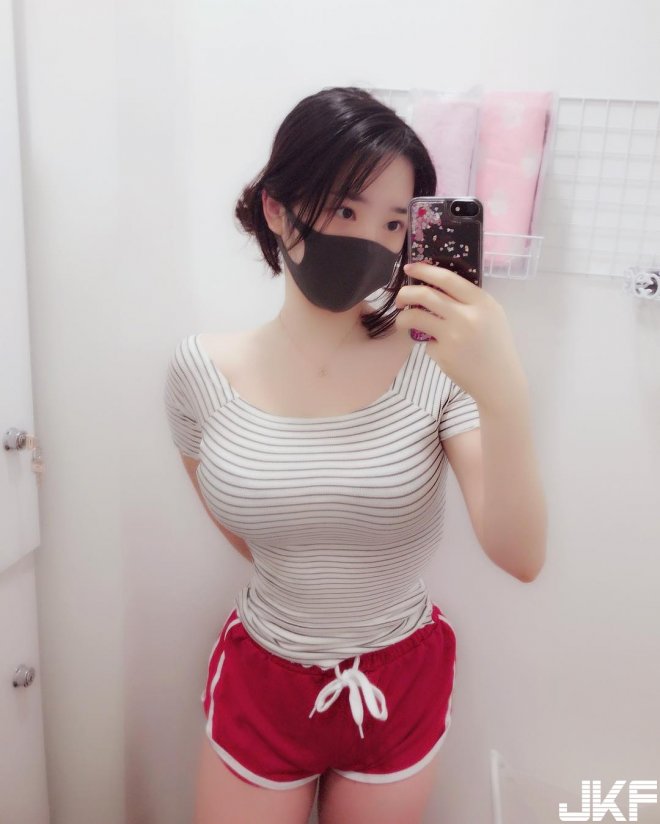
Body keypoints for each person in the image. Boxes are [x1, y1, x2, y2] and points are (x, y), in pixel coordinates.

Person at [164, 86, 546, 824]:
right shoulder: (199, 371)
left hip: (397, 679)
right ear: (278, 209)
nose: (371, 240)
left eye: (394, 222)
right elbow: (242, 528)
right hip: (264, 678)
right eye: (345, 210)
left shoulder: (437, 364)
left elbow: (520, 556)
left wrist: (504, 390)